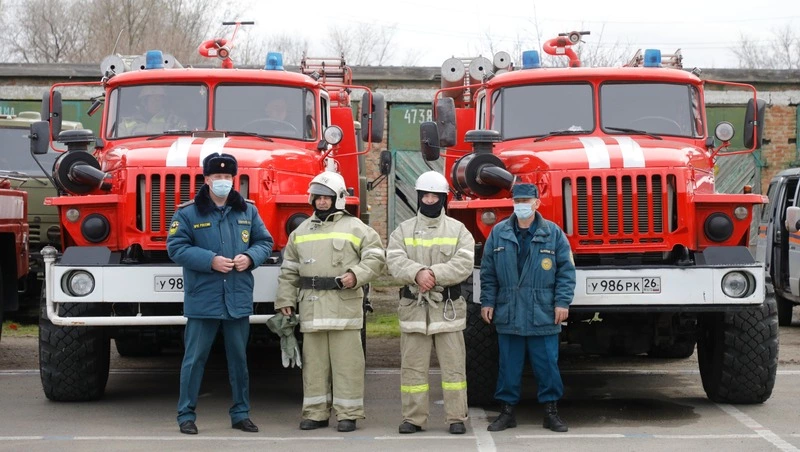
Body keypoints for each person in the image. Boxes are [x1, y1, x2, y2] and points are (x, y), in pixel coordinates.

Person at [167, 152, 274, 435]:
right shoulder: (187, 213)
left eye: (228, 177)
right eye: (218, 177)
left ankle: (241, 413)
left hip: (237, 298)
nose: (223, 181)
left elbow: (265, 241)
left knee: (239, 360)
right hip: (204, 298)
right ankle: (186, 415)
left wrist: (250, 257)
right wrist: (210, 260)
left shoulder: (247, 210)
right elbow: (176, 247)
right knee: (194, 360)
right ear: (207, 179)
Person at [275, 170, 385, 433]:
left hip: (343, 307)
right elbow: (289, 270)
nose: (322, 202)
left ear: (338, 198)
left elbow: (376, 258)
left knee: (348, 365)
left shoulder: (357, 228)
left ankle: (348, 414)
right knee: (314, 366)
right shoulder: (300, 231)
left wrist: (355, 275)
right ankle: (315, 413)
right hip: (312, 308)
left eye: (327, 197)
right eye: (318, 197)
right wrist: (285, 300)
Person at [479, 182, 576, 433]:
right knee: (508, 366)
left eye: (526, 201)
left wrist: (562, 302)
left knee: (547, 366)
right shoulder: (499, 233)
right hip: (509, 310)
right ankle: (507, 412)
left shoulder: (553, 233)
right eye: (518, 201)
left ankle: (551, 412)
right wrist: (487, 301)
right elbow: (488, 273)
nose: (522, 206)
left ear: (537, 203)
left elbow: (566, 272)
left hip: (542, 311)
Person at [386, 171, 474, 435]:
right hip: (414, 311)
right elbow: (394, 260)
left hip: (447, 311)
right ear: (418, 197)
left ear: (444, 198)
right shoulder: (403, 230)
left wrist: (433, 275)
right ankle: (413, 418)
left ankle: (456, 417)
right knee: (412, 369)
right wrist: (417, 273)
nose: (430, 199)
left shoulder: (459, 230)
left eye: (435, 195)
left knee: (454, 368)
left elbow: (464, 263)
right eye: (425, 195)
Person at [119, 85, 187, 136]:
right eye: (153, 99)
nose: (156, 102)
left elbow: (182, 141)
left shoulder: (174, 121)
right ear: (144, 102)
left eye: (159, 99)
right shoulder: (126, 123)